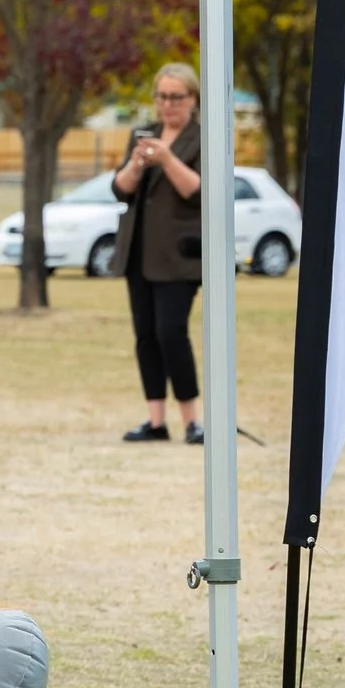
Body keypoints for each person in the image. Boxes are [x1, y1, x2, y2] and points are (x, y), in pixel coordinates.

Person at [109, 63, 206, 445]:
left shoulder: (203, 137)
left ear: (193, 99)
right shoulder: (143, 134)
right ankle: (155, 421)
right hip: (139, 252)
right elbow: (121, 189)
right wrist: (136, 164)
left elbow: (198, 191)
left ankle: (192, 421)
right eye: (162, 96)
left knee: (171, 332)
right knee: (146, 336)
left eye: (176, 97)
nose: (168, 104)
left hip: (179, 257)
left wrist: (167, 159)